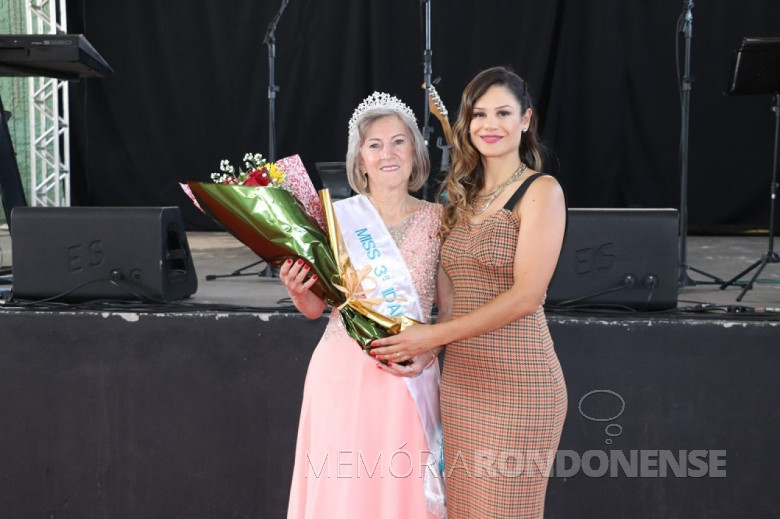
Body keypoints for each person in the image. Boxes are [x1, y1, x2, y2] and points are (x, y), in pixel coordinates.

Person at [370, 66, 568, 518]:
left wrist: (433, 338)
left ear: (526, 119)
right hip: (460, 386)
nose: (489, 125)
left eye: (503, 112)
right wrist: (427, 347)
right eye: (479, 114)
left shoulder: (541, 191)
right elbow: (451, 300)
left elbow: (526, 297)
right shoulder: (459, 197)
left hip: (521, 384)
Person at [282, 92, 446, 519]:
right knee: (342, 494)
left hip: (407, 374)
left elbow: (452, 309)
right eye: (374, 144)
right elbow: (317, 308)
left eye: (398, 141)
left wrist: (429, 349)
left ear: (416, 152)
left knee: (400, 490)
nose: (387, 153)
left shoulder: (441, 221)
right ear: (360, 159)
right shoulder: (335, 219)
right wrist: (300, 292)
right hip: (341, 374)